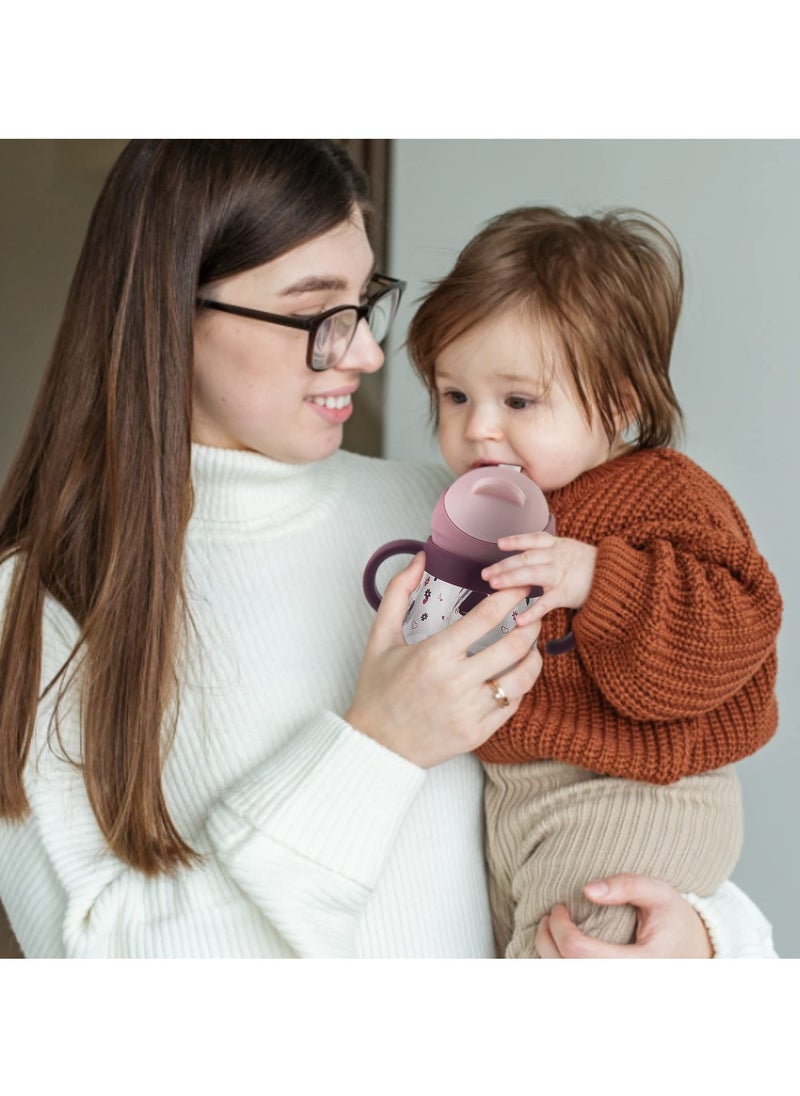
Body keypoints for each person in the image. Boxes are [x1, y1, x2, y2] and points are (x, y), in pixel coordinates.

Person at [0, 143, 775, 959]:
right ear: (171, 311)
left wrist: (706, 947)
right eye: (316, 310)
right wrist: (379, 745)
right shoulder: (33, 607)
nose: (369, 355)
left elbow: (620, 817)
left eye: (366, 302)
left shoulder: (467, 517)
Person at [406, 205, 782, 957]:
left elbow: (736, 628)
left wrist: (600, 580)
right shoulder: (473, 510)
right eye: (455, 396)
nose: (478, 427)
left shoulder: (665, 494)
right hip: (521, 804)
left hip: (636, 796)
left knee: (572, 954)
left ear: (617, 404)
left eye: (517, 401)